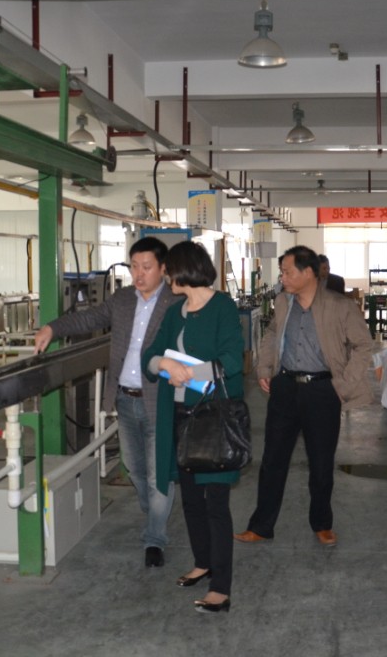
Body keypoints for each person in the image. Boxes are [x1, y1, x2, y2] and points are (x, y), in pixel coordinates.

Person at [33, 237, 180, 568]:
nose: (139, 274)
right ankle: (155, 512)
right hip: (125, 399)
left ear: (163, 268)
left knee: (157, 475)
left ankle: (154, 538)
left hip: (159, 401)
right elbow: (88, 319)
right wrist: (52, 328)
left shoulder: (175, 303)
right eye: (134, 266)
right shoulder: (123, 299)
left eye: (146, 267)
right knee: (134, 468)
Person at [236, 246, 373, 547]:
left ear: (308, 273)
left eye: (287, 272)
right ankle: (261, 526)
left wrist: (343, 385)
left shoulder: (340, 306)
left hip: (322, 390)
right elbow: (273, 333)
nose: (282, 278)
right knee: (272, 460)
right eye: (282, 272)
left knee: (321, 462)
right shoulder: (283, 302)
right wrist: (265, 367)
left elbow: (364, 346)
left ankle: (322, 523)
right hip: (285, 387)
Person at [143, 241, 244, 614]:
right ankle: (203, 562)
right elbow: (149, 356)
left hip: (212, 419)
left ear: (184, 270)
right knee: (190, 499)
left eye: (169, 270)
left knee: (215, 503)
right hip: (180, 417)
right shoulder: (175, 312)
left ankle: (221, 586)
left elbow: (232, 359)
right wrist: (164, 365)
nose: (167, 276)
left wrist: (190, 373)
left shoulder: (222, 307)